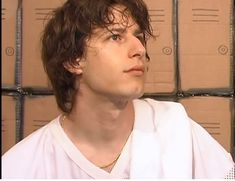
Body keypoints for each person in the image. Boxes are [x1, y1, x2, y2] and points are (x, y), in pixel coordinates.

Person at [2, 0, 235, 179]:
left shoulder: (176, 129)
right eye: (115, 36)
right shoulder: (21, 167)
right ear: (74, 60)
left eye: (138, 37)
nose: (140, 49)